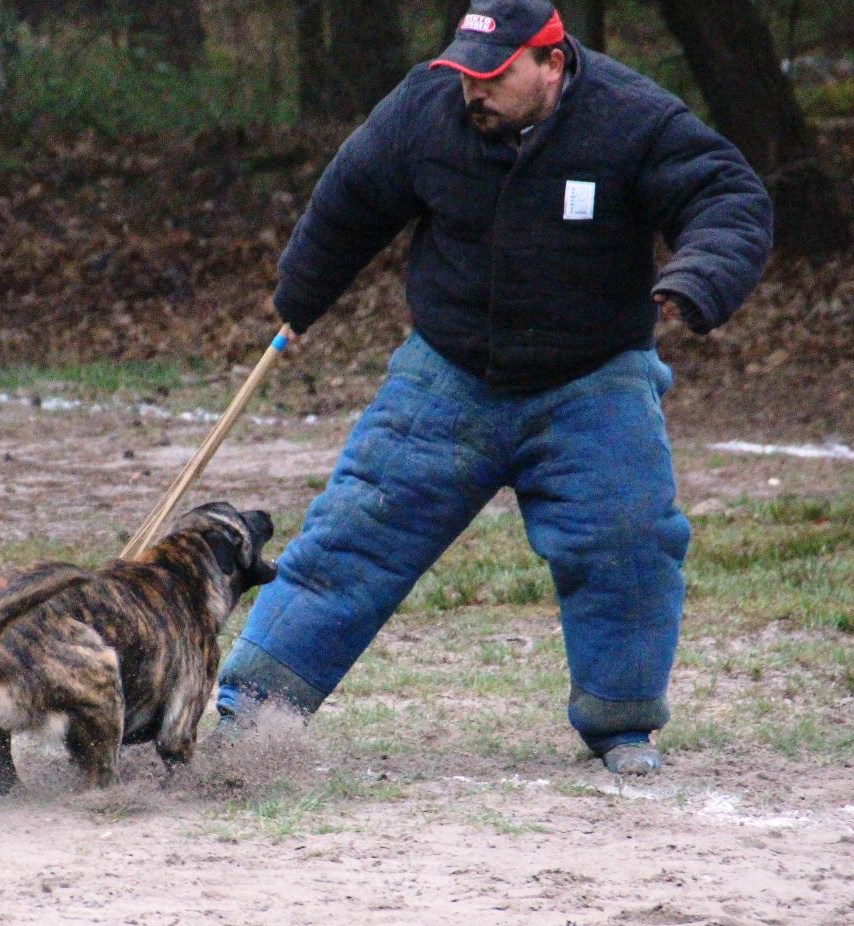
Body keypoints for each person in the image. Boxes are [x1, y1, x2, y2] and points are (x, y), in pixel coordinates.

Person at [213, 0, 773, 775]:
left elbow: (729, 197)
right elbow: (351, 197)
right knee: (353, 532)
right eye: (465, 73)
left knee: (630, 542)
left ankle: (622, 725)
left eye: (493, 76)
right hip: (448, 372)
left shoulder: (632, 118)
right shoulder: (427, 107)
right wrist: (300, 297)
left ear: (551, 62)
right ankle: (253, 706)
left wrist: (699, 275)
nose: (473, 91)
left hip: (594, 379)